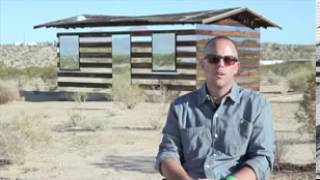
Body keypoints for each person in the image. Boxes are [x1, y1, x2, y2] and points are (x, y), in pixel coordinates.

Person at [155, 36, 275, 180]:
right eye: (214, 59)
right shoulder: (181, 107)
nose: (221, 65)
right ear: (203, 65)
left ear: (236, 67)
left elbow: (263, 158)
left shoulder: (256, 105)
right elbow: (167, 154)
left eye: (228, 60)